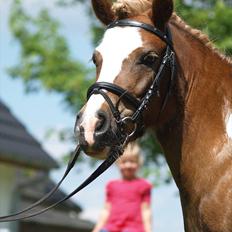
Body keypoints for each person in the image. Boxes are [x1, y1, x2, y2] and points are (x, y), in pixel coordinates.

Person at [92, 143, 152, 232]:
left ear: (138, 163)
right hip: (111, 228)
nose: (128, 165)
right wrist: (96, 229)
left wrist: (148, 230)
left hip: (133, 229)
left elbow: (146, 210)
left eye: (132, 161)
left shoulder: (144, 185)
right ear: (118, 164)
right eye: (124, 162)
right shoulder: (111, 185)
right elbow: (106, 210)